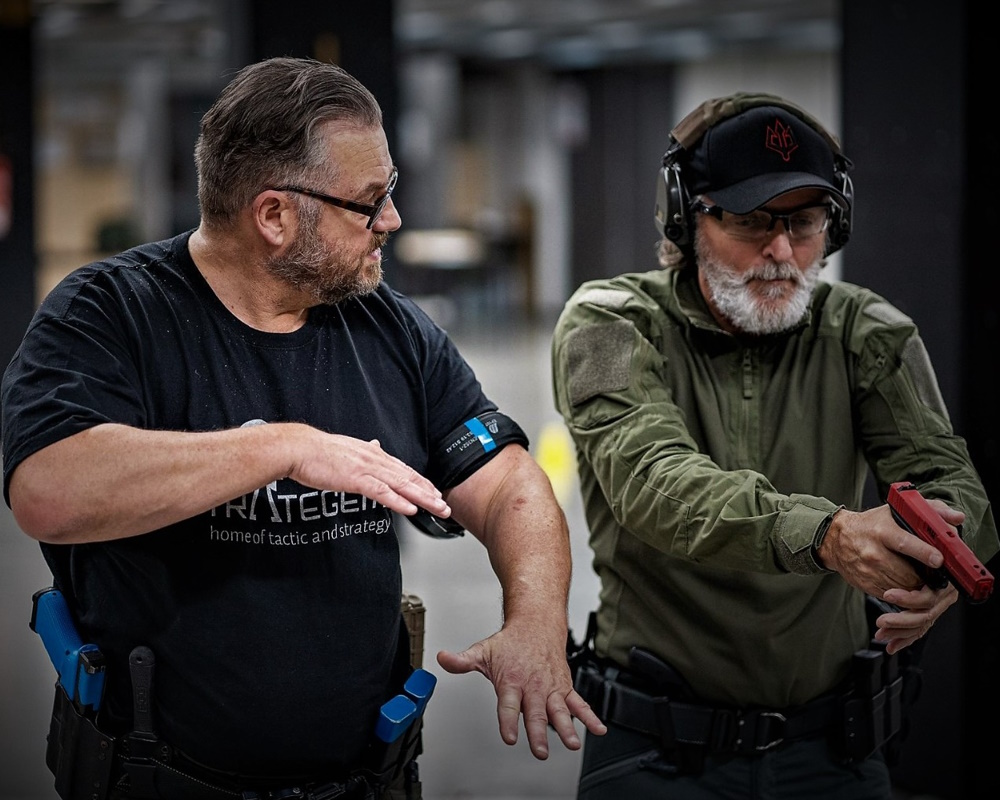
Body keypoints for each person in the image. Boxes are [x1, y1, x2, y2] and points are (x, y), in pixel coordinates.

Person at [1, 56, 605, 800]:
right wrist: (280, 447)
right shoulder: (111, 313)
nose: (392, 220)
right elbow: (47, 488)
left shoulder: (391, 329)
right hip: (158, 779)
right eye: (369, 201)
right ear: (276, 216)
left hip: (366, 781)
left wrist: (537, 619)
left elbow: (508, 479)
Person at [550, 92, 998, 799]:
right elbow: (652, 481)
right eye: (751, 220)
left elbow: (947, 476)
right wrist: (826, 535)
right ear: (685, 216)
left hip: (831, 747)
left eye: (804, 222)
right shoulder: (609, 322)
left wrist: (942, 558)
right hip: (658, 749)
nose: (782, 251)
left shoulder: (865, 329)